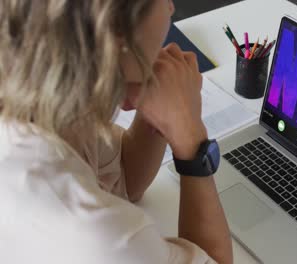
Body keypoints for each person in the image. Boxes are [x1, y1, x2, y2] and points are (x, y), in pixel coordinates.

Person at [0, 1, 233, 263]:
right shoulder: (106, 238)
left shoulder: (39, 96)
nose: (171, 7)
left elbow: (125, 175)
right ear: (113, 30)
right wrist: (191, 141)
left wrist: (158, 107)